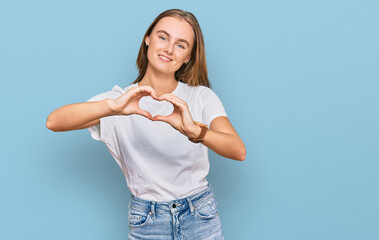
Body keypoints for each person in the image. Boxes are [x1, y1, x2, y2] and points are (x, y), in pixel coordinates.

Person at [46, 8, 246, 240]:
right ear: (147, 39)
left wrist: (195, 131)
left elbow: (238, 150)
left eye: (181, 45)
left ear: (188, 57)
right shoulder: (119, 100)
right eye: (163, 37)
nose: (169, 49)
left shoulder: (200, 97)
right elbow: (54, 121)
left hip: (199, 215)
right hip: (147, 220)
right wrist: (113, 108)